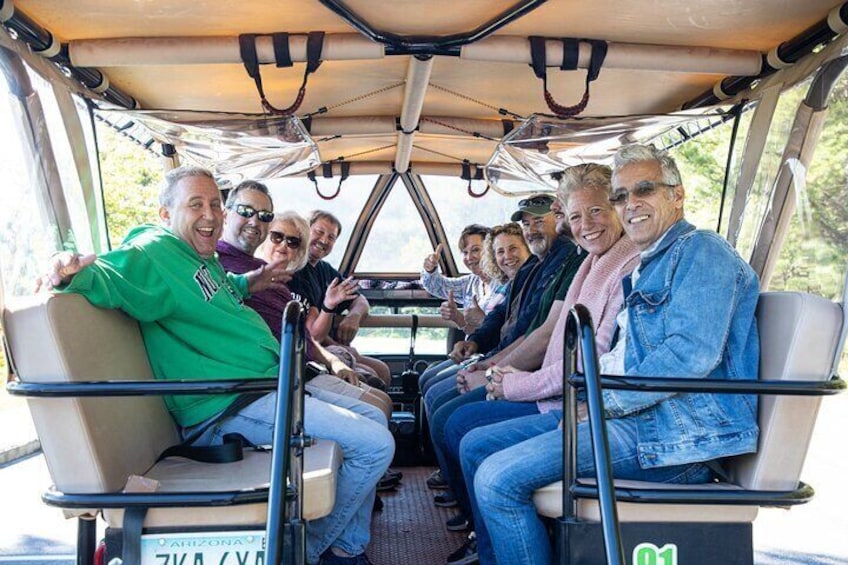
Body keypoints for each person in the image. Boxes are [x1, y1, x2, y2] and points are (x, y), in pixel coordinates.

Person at [40, 166, 393, 565]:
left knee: (376, 421)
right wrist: (66, 270)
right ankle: (308, 553)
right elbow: (111, 271)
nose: (210, 214)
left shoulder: (199, 259)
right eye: (195, 204)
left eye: (214, 204)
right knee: (376, 446)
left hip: (262, 389)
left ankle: (348, 548)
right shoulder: (155, 250)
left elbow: (217, 288)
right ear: (164, 215)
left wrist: (251, 281)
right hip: (226, 407)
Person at [460, 144, 760, 565]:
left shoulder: (701, 251)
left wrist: (603, 402)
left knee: (497, 480)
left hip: (679, 441)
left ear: (677, 194)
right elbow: (622, 356)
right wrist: (590, 400)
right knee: (481, 449)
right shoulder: (649, 263)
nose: (630, 204)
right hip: (636, 423)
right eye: (621, 196)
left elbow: (688, 356)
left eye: (644, 190)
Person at [441, 163, 640, 561]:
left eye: (597, 211)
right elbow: (539, 334)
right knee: (456, 417)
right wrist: (491, 362)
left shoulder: (624, 265)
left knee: (470, 435)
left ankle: (493, 549)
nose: (587, 224)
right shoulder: (589, 262)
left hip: (586, 410)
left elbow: (583, 354)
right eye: (577, 215)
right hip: (559, 394)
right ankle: (490, 545)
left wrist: (506, 380)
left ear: (619, 206)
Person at [421, 195, 584, 508]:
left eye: (540, 220)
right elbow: (504, 323)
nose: (533, 229)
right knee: (436, 393)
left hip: (540, 379)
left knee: (452, 419)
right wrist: (478, 346)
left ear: (559, 219)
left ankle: (468, 507)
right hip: (511, 363)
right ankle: (462, 493)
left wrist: (490, 369)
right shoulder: (534, 268)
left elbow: (537, 333)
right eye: (528, 224)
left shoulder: (569, 261)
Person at [215, 181, 393, 422]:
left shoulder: (303, 274)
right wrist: (330, 318)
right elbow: (309, 334)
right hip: (270, 379)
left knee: (379, 391)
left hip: (299, 365)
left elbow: (306, 334)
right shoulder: (230, 270)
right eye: (277, 237)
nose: (283, 245)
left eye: (293, 242)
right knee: (376, 407)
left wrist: (336, 352)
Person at [288, 210, 391, 389]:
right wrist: (337, 345)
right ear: (305, 230)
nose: (324, 240)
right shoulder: (295, 270)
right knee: (372, 376)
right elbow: (311, 334)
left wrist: (353, 317)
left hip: (327, 345)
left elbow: (360, 301)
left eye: (331, 237)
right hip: (310, 349)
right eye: (319, 232)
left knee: (382, 369)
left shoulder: (325, 270)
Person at [420, 224, 509, 337]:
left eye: (475, 250)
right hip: (472, 349)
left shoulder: (506, 284)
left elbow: (508, 335)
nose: (469, 258)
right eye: (465, 252)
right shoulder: (470, 282)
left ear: (491, 250)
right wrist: (430, 269)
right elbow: (436, 286)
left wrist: (483, 320)